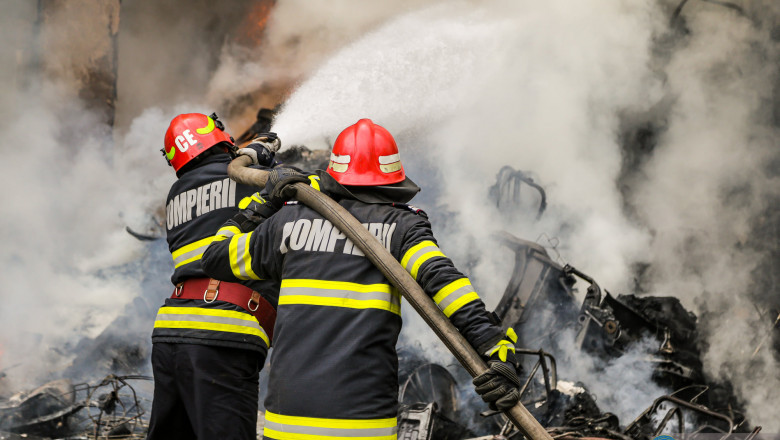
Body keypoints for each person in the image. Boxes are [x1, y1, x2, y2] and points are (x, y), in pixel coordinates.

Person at [201, 118, 521, 439]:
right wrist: (495, 348)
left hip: (286, 423)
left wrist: (264, 202)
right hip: (363, 426)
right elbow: (444, 283)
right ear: (392, 176)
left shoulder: (287, 221)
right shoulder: (402, 226)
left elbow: (215, 257)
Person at [147, 112, 281, 440]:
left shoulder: (176, 194)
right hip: (223, 334)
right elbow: (293, 185)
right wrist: (261, 155)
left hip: (169, 335)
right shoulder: (246, 177)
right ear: (219, 137)